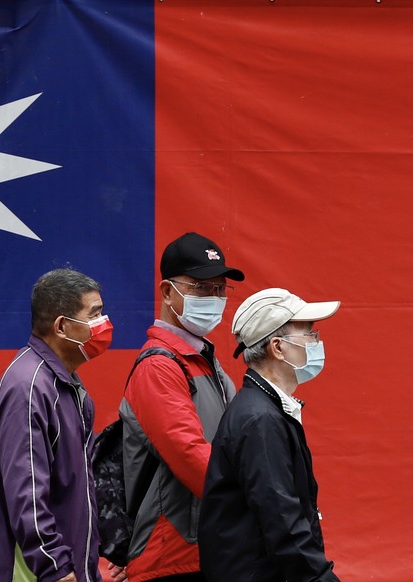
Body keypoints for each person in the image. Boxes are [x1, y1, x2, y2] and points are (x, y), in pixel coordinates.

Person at [0, 268, 115, 582]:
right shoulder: (29, 387)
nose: (105, 325)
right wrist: (55, 565)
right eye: (95, 314)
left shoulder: (66, 384)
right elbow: (27, 492)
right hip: (39, 573)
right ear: (62, 326)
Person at [119, 232, 245, 582]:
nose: (215, 298)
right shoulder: (159, 366)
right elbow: (190, 456)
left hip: (207, 548)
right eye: (202, 287)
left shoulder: (205, 362)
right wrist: (257, 502)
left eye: (220, 289)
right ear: (167, 292)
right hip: (171, 555)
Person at [199, 288, 342, 582]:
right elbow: (283, 522)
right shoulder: (259, 419)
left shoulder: (265, 409)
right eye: (309, 334)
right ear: (277, 347)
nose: (317, 342)